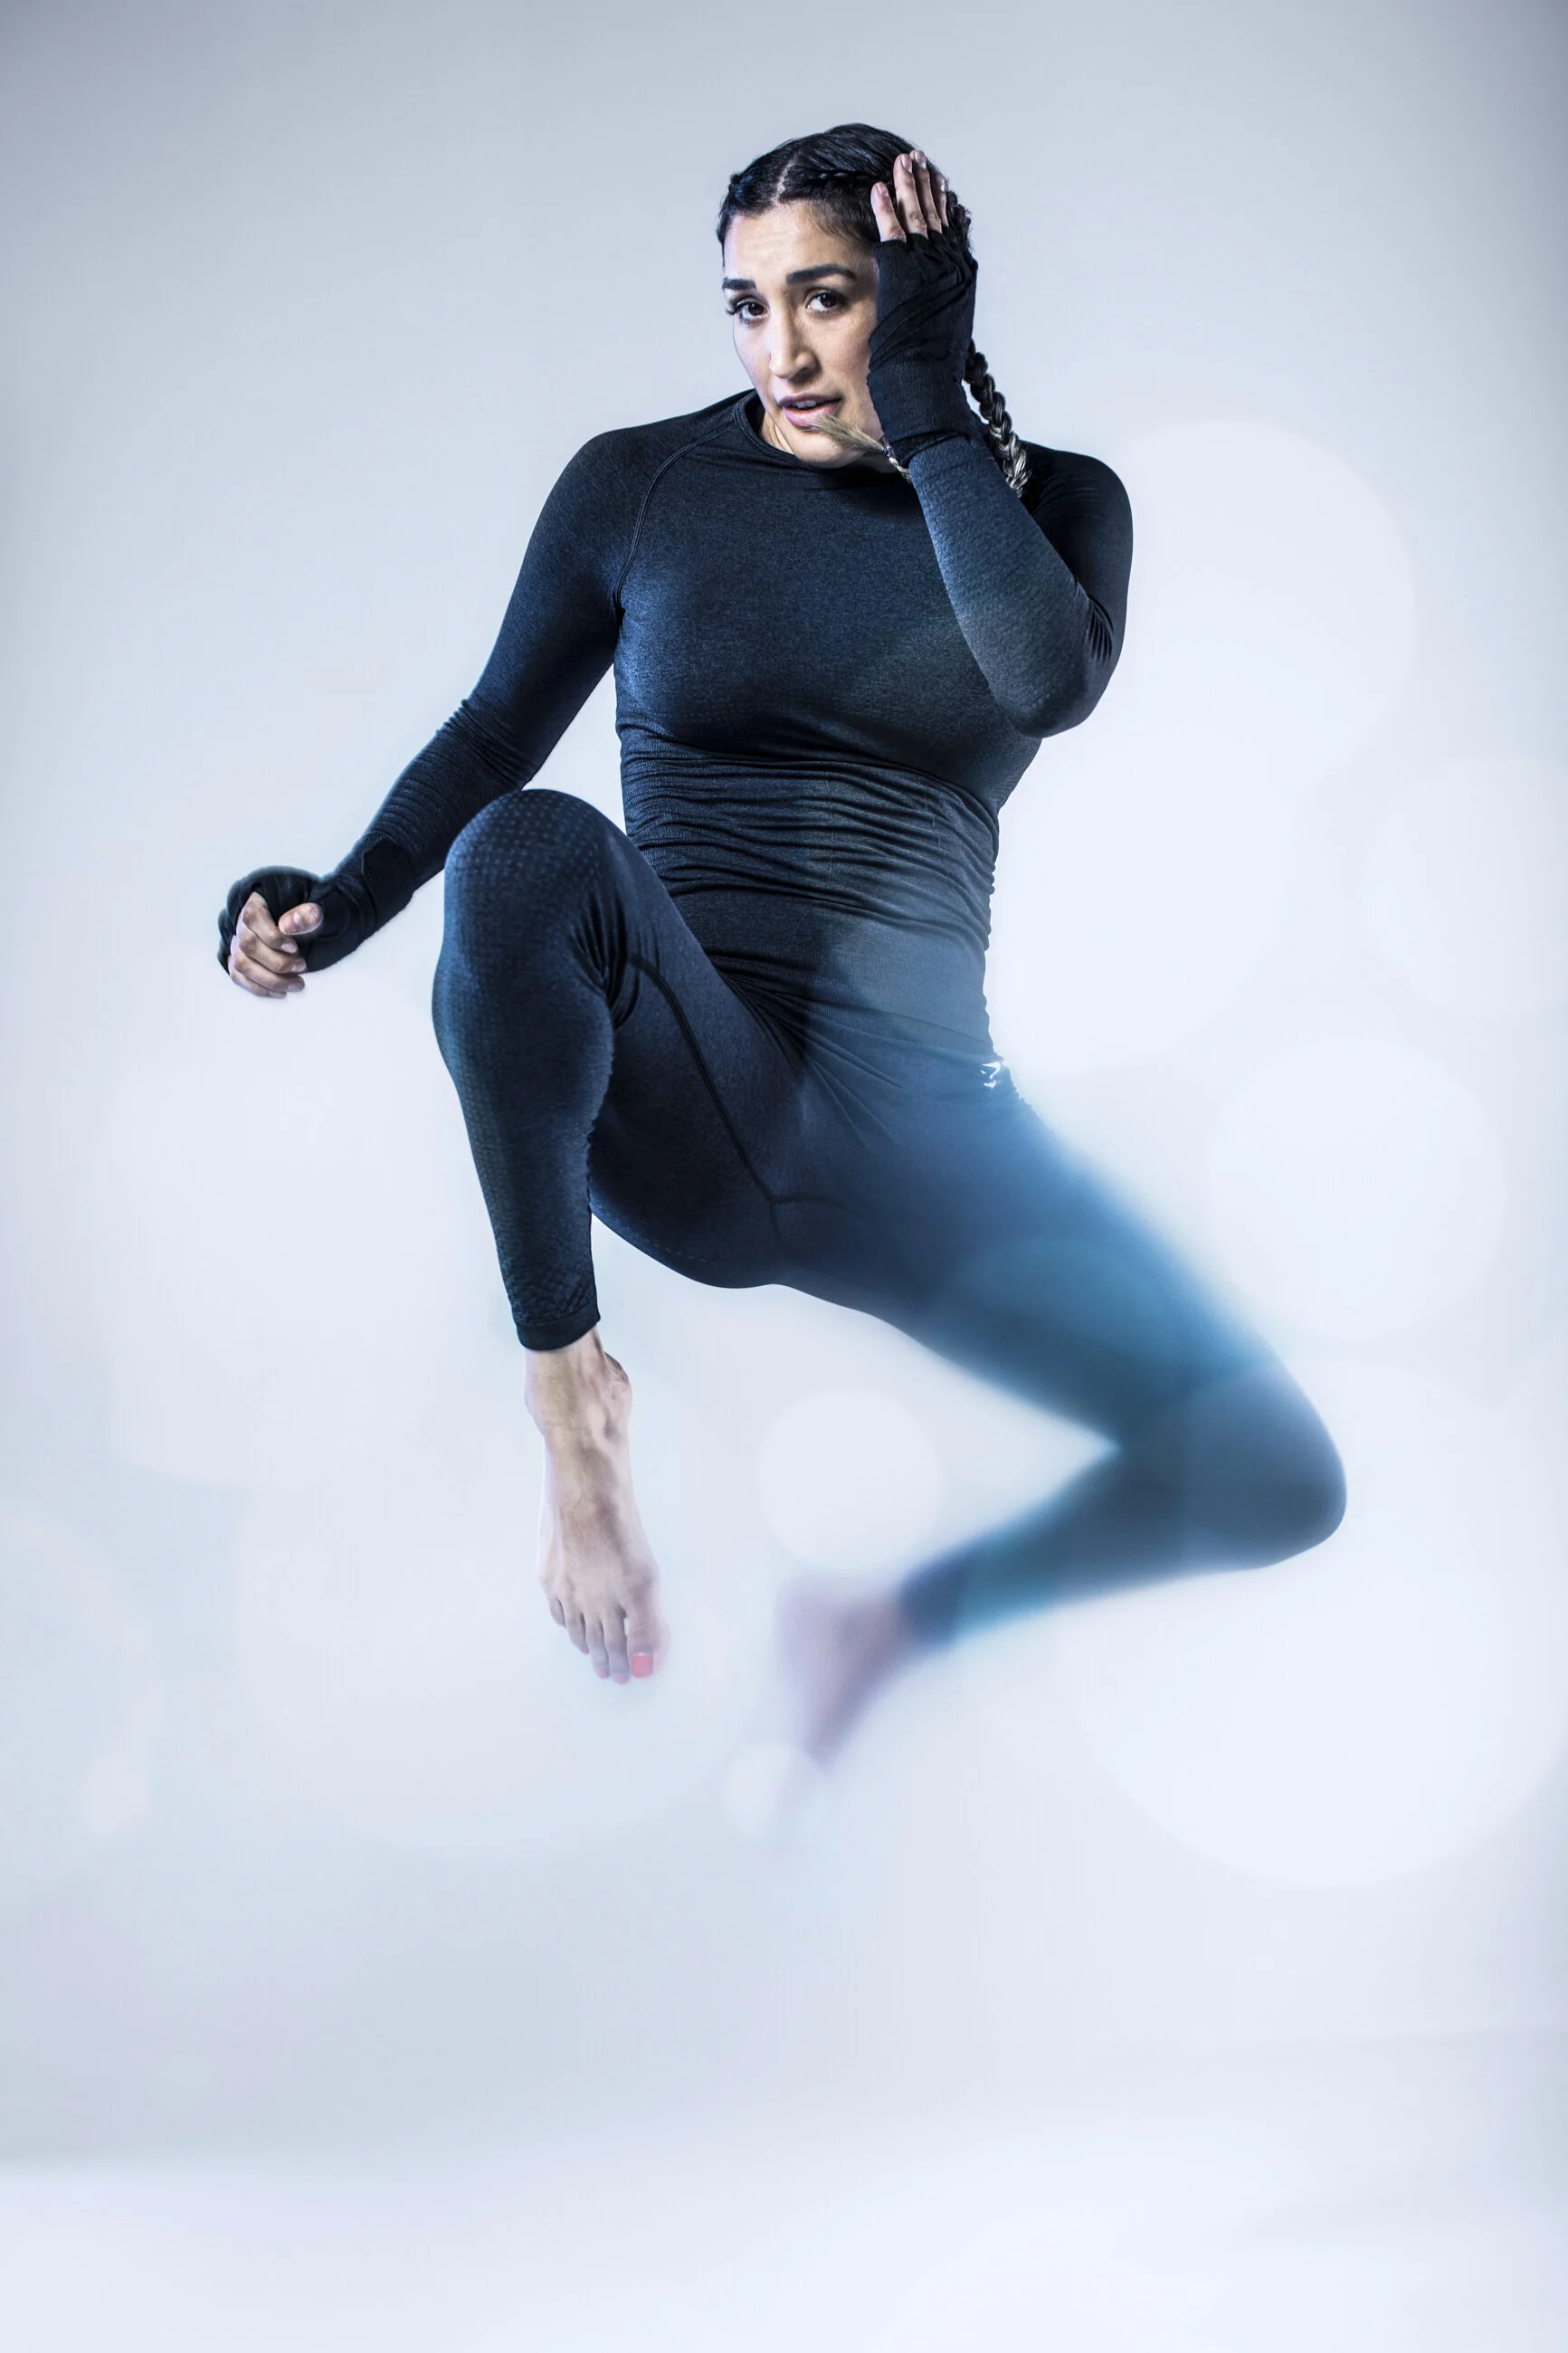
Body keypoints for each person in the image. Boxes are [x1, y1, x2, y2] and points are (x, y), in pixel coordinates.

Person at [217, 125, 1345, 1764]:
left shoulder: (1056, 508)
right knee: (527, 843)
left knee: (1276, 1477)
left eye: (829, 298)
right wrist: (338, 901)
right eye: (749, 306)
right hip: (697, 1080)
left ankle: (891, 1625)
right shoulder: (643, 488)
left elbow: (1045, 682)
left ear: (922, 294)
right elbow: (492, 738)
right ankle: (573, 1405)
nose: (784, 354)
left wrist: (929, 401)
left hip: (930, 1141)